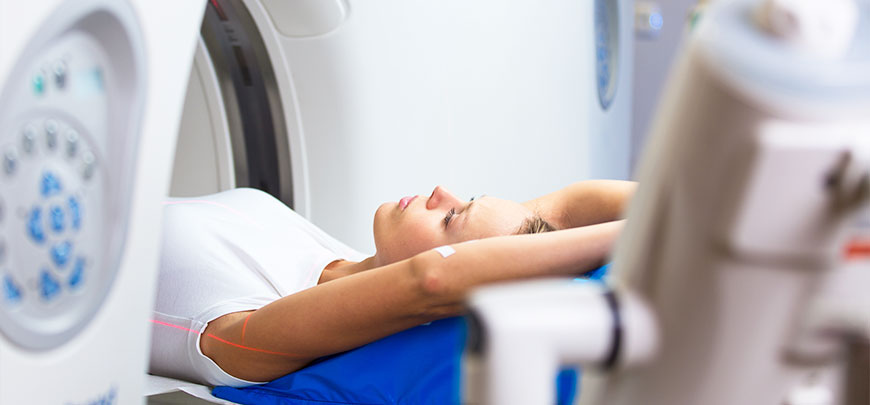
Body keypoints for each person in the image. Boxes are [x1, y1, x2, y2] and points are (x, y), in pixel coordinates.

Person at [149, 180, 635, 386]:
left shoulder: (251, 337)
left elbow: (429, 281)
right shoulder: (334, 258)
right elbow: (570, 207)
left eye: (451, 218)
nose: (440, 192)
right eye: (463, 197)